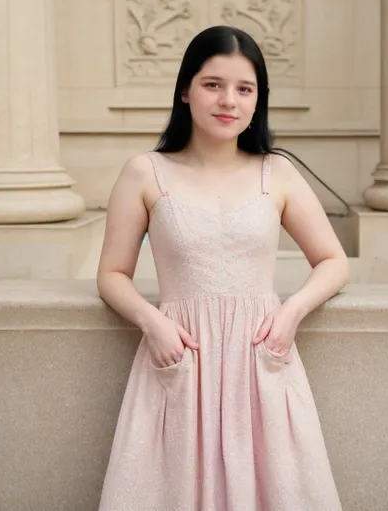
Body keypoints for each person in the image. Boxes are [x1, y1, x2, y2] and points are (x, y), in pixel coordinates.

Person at [97, 25, 349, 511]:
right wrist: (153, 323)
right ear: (185, 90)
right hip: (180, 359)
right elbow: (112, 273)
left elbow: (333, 261)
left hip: (260, 361)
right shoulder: (144, 171)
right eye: (213, 84)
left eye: (244, 88)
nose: (228, 100)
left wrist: (291, 312)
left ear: (258, 100)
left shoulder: (276, 173)